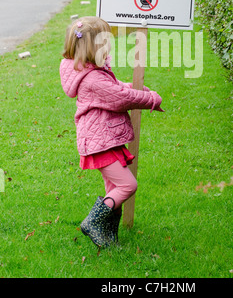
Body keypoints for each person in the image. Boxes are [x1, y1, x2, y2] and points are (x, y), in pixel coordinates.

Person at [59, 16, 163, 248]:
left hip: (103, 136)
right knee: (128, 185)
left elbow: (115, 88)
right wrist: (152, 99)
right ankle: (92, 224)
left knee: (114, 189)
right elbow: (120, 98)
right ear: (94, 47)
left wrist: (137, 87)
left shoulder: (85, 68)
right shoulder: (93, 78)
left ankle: (108, 236)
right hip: (101, 140)